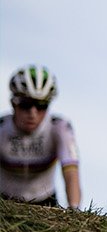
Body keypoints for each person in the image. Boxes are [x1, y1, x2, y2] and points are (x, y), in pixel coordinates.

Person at [1, 65, 81, 208]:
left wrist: (74, 211)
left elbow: (71, 173)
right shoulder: (2, 129)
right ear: (13, 103)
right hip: (4, 202)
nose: (33, 113)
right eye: (26, 104)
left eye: (41, 105)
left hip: (45, 204)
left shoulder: (59, 128)